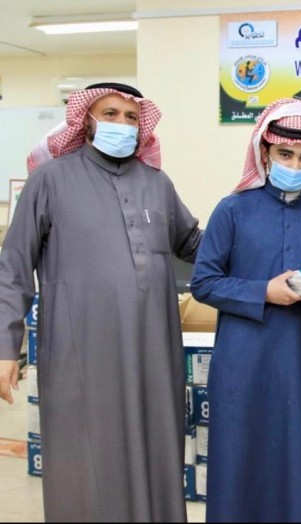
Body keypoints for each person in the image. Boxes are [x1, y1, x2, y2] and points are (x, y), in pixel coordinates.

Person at [0, 82, 202, 521]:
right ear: (86, 121)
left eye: (132, 117)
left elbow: (196, 246)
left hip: (153, 354)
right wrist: (5, 348)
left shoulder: (157, 183)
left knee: (155, 451)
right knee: (85, 459)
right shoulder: (50, 180)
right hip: (81, 354)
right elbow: (13, 268)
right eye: (110, 114)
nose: (122, 124)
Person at [190, 98, 301, 522]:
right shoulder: (232, 209)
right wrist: (264, 292)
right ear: (265, 152)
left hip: (299, 358)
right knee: (238, 455)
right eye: (285, 154)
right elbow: (204, 282)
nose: (295, 165)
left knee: (295, 457)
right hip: (243, 357)